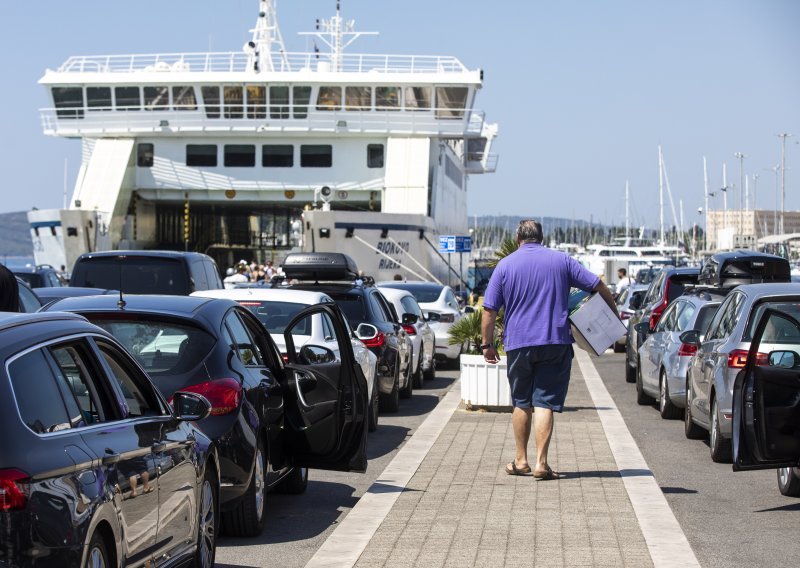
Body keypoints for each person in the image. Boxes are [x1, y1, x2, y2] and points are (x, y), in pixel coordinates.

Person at [480, 220, 617, 479]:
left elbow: (489, 311)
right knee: (544, 402)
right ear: (541, 238)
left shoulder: (505, 265)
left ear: (518, 237)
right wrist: (613, 314)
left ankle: (521, 461)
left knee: (521, 402)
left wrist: (487, 345)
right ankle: (542, 464)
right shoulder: (562, 261)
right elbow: (597, 285)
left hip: (519, 343)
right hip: (555, 341)